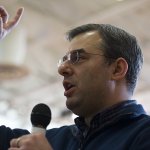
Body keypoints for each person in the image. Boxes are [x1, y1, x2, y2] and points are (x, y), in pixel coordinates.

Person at [0, 6, 150, 150]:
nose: (61, 69)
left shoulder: (143, 135)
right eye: (63, 60)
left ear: (117, 69)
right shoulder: (53, 139)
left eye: (77, 57)